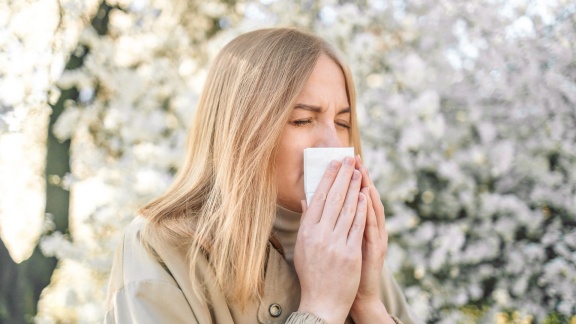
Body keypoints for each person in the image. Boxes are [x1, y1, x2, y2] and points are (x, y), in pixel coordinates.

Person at [105, 28, 421, 324]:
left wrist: (368, 306)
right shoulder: (160, 249)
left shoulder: (350, 248)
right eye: (302, 120)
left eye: (342, 124)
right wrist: (321, 308)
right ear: (244, 131)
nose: (333, 144)